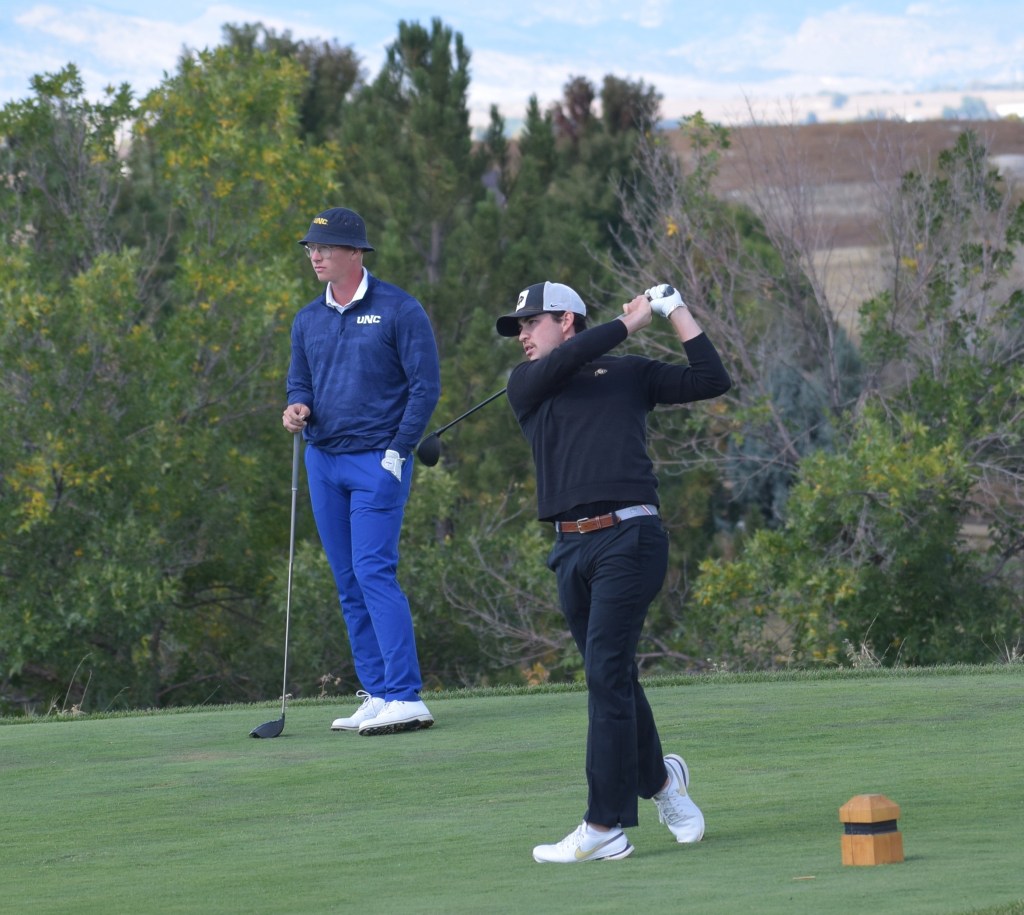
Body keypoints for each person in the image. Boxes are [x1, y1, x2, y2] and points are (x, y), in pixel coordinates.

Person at [495, 280, 731, 862]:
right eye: (518, 328)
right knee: (613, 674)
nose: (522, 335)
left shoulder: (627, 373)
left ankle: (603, 826)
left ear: (566, 320)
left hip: (630, 536)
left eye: (532, 323)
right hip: (569, 548)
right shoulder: (527, 384)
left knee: (605, 672)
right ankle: (662, 782)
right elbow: (572, 359)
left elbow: (710, 379)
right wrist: (630, 322)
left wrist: (674, 311)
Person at [283, 207, 441, 736]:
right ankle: (377, 692)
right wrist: (297, 408)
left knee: (373, 571)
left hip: (378, 459)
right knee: (348, 579)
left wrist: (399, 449)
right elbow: (300, 382)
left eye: (325, 248)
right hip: (322, 459)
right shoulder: (307, 319)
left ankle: (406, 695)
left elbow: (425, 387)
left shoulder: (399, 309)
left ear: (355, 252)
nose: (315, 256)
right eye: (311, 248)